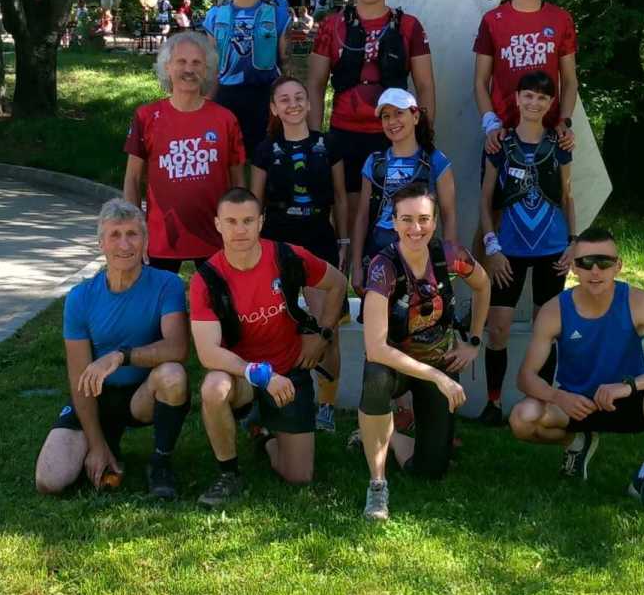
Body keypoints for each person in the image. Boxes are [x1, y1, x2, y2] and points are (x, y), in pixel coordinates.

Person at [510, 227, 644, 516]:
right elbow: (526, 376)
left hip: (633, 399)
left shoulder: (640, 302)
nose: (595, 271)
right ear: (574, 268)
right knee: (522, 418)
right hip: (578, 404)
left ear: (618, 265)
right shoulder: (554, 310)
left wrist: (628, 386)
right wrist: (559, 397)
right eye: (586, 263)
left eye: (604, 262)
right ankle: (577, 443)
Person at [189, 188, 347, 507]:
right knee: (213, 388)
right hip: (242, 376)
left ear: (261, 222)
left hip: (289, 371)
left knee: (299, 476)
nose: (240, 230)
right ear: (218, 224)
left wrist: (323, 334)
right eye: (231, 222)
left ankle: (263, 436)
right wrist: (262, 375)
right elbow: (208, 353)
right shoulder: (206, 279)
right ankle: (229, 474)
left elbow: (338, 283)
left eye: (248, 221)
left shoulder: (287, 256)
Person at [35, 199, 190, 500]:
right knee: (49, 480)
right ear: (101, 244)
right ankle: (104, 443)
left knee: (173, 374)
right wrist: (96, 445)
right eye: (115, 235)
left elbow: (178, 348)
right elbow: (79, 377)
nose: (124, 244)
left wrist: (121, 356)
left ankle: (161, 463)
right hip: (95, 393)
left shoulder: (168, 284)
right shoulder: (80, 297)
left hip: (142, 394)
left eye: (132, 234)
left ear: (145, 240)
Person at [357, 184, 490, 522]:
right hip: (396, 366)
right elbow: (376, 348)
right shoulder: (382, 267)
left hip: (438, 360)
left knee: (431, 470)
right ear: (394, 222)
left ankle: (383, 434)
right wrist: (438, 377)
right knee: (374, 377)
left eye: (423, 219)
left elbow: (483, 284)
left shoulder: (451, 255)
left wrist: (474, 341)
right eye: (406, 219)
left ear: (435, 221)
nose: (415, 228)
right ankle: (377, 484)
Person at [308, 0, 435, 230]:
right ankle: (350, 260)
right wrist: (315, 139)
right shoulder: (332, 26)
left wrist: (422, 136)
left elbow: (425, 85)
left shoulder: (409, 26)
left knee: (395, 217)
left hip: (393, 133)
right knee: (349, 218)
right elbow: (315, 85)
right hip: (345, 134)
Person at [251, 75, 349, 432]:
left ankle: (327, 405)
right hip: (277, 239)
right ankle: (269, 400)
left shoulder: (328, 144)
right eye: (284, 100)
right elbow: (255, 202)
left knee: (327, 325)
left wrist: (344, 242)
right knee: (272, 324)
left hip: (319, 236)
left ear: (309, 104)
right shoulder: (265, 150)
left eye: (299, 98)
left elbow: (341, 198)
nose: (292, 105)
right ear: (274, 108)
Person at [478, 70, 575, 426]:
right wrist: (492, 246)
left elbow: (567, 197)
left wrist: (573, 244)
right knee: (497, 329)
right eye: (528, 96)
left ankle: (540, 404)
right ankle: (493, 402)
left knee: (545, 329)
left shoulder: (560, 145)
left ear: (551, 104)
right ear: (517, 98)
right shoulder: (499, 144)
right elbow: (485, 200)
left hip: (552, 249)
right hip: (509, 252)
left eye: (542, 97)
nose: (534, 103)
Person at [123, 31, 246, 272]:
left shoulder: (225, 119)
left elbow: (238, 182)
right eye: (181, 61)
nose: (189, 69)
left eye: (196, 63)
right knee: (160, 297)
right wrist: (134, 230)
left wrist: (239, 230)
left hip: (215, 237)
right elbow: (132, 179)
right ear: (167, 67)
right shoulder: (146, 117)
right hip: (161, 239)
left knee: (218, 297)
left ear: (207, 70)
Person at [473, 0, 577, 155]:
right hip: (502, 135)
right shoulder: (492, 20)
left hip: (549, 134)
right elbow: (480, 81)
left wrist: (564, 121)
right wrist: (491, 125)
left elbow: (569, 80)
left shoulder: (561, 19)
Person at [351, 88, 456, 296]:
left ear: (415, 117)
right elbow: (362, 215)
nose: (392, 121)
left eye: (399, 113)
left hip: (420, 244)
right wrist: (356, 267)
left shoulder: (436, 160)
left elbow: (448, 213)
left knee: (418, 309)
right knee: (378, 310)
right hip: (380, 247)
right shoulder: (374, 162)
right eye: (386, 116)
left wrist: (449, 256)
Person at [204, 0, 292, 157]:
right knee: (227, 164)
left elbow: (288, 65)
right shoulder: (215, 16)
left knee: (265, 165)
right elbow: (212, 69)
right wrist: (204, 109)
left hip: (266, 100)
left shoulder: (278, 14)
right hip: (225, 100)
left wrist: (290, 107)